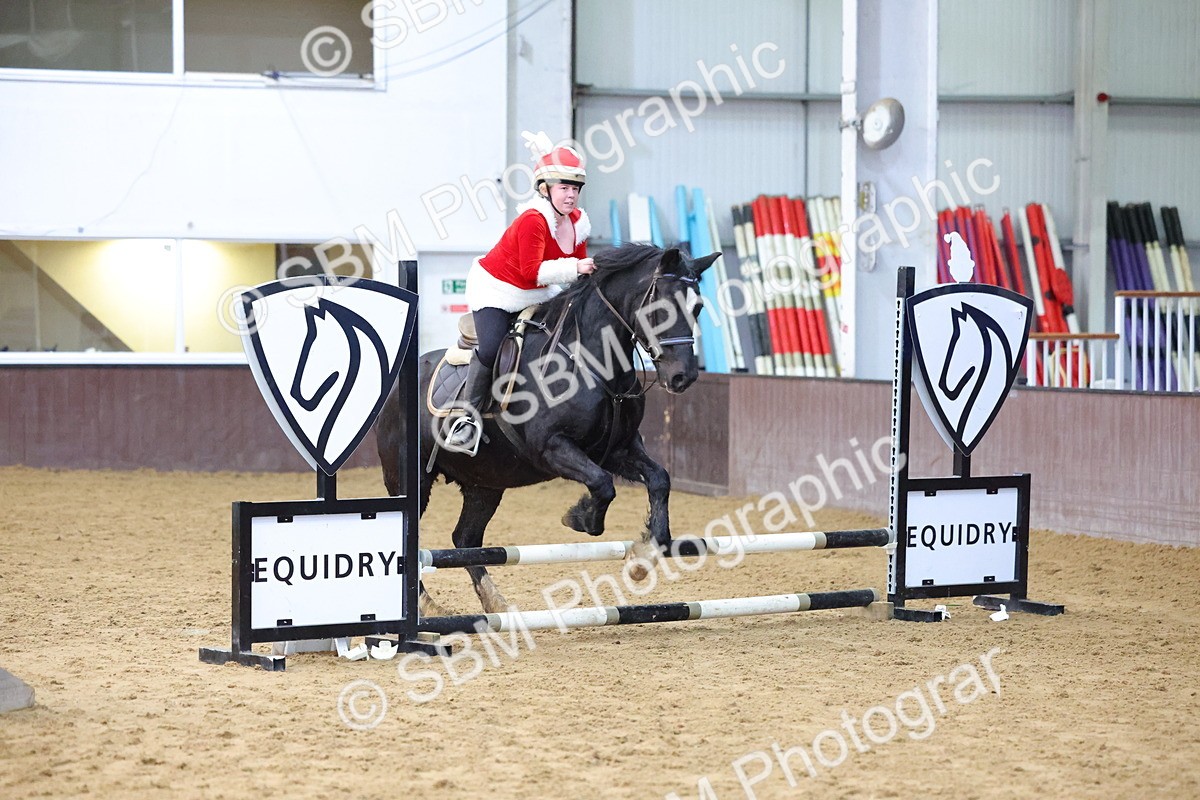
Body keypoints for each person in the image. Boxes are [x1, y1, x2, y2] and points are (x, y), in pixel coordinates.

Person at [444, 134, 595, 453]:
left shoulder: (579, 222)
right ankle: (467, 419)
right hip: (497, 288)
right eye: (563, 188)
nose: (570, 196)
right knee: (491, 346)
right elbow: (533, 270)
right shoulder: (532, 220)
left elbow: (577, 268)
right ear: (546, 189)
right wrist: (577, 268)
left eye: (575, 189)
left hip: (537, 289)